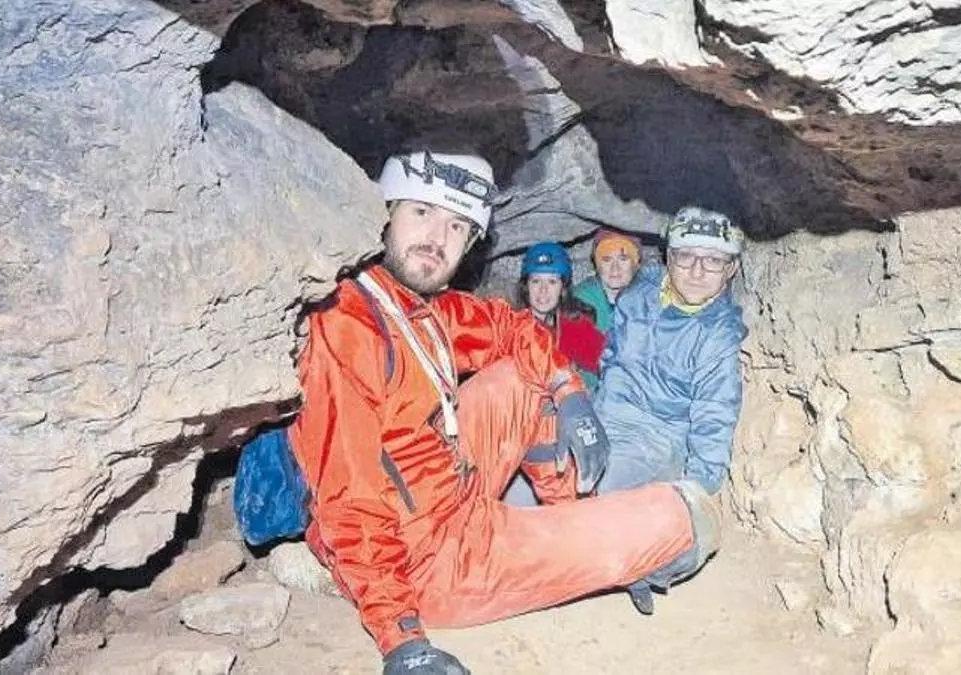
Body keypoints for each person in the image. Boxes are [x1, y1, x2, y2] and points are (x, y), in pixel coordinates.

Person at [288, 151, 722, 675]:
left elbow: (515, 330)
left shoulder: (420, 306)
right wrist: (401, 640)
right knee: (682, 517)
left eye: (456, 227)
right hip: (430, 558)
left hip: (451, 486)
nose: (436, 239)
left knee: (523, 375)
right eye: (420, 214)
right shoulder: (348, 328)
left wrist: (570, 394)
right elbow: (349, 500)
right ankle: (573, 545)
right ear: (383, 214)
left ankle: (566, 516)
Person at [593, 206, 747, 617]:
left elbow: (716, 413)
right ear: (667, 258)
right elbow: (610, 357)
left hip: (655, 439)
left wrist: (699, 489)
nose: (697, 271)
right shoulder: (638, 296)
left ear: (730, 269)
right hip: (604, 415)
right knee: (523, 484)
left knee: (588, 497)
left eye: (713, 261)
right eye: (685, 257)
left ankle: (638, 558)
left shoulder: (718, 335)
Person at [517, 241, 606, 390]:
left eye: (552, 282)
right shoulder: (511, 327)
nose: (543, 290)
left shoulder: (571, 328)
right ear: (527, 287)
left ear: (562, 288)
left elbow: (610, 360)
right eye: (536, 281)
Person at [572, 228, 642, 332]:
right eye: (607, 260)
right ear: (597, 265)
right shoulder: (581, 301)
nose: (615, 268)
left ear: (636, 264)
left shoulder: (648, 299)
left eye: (623, 259)